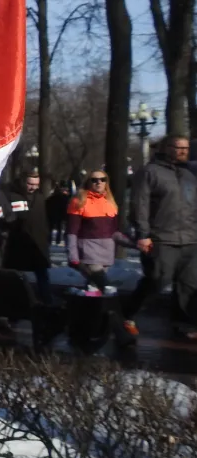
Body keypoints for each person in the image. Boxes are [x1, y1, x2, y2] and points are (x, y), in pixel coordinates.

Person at [127, 134, 197, 340]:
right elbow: (139, 205)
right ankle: (127, 313)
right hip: (162, 238)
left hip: (191, 239)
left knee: (189, 284)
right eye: (178, 147)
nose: (183, 151)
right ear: (165, 148)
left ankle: (183, 323)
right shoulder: (150, 172)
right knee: (158, 280)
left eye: (185, 148)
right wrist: (143, 234)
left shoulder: (190, 175)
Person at [67, 171, 133, 292]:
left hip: (106, 253)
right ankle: (116, 307)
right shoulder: (78, 201)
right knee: (105, 286)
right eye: (94, 180)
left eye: (103, 179)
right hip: (88, 252)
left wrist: (136, 243)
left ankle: (89, 308)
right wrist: (73, 256)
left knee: (94, 287)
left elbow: (115, 233)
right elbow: (72, 232)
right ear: (88, 182)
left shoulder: (110, 203)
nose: (99, 182)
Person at [0, 171, 52, 304]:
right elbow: (0, 218)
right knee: (15, 279)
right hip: (18, 245)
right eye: (30, 184)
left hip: (38, 244)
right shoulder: (10, 195)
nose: (33, 187)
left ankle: (46, 305)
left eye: (36, 184)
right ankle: (15, 307)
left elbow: (44, 220)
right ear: (23, 181)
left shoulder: (39, 197)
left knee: (42, 278)